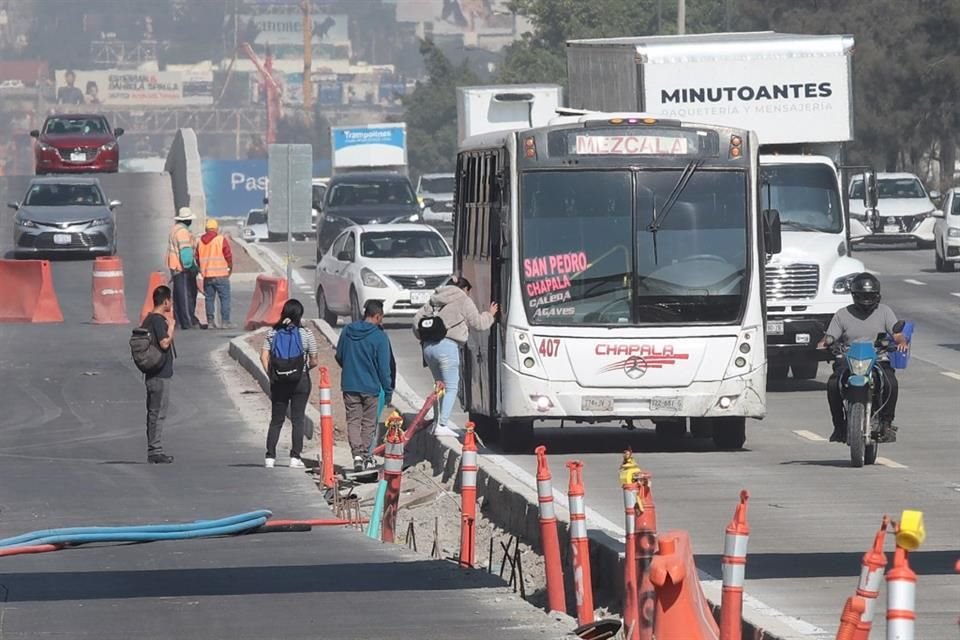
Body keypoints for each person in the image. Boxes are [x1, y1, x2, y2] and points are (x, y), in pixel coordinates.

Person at [818, 272, 908, 444]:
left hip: (878, 358)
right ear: (854, 295)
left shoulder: (885, 312)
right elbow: (830, 336)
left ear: (877, 296)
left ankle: (886, 423)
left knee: (891, 383)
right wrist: (826, 342)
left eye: (870, 296)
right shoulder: (842, 314)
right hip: (848, 360)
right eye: (862, 296)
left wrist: (900, 341)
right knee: (832, 385)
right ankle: (839, 426)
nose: (866, 299)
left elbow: (897, 333)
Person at [412, 276, 498, 431]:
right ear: (464, 289)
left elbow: (416, 323)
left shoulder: (434, 299)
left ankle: (437, 422)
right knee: (451, 387)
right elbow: (478, 324)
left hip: (428, 349)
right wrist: (490, 314)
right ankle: (442, 424)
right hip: (448, 347)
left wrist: (427, 337)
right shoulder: (463, 299)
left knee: (439, 386)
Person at [335, 300, 394, 471]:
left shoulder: (347, 331)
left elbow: (339, 355)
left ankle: (357, 456)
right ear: (377, 316)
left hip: (349, 385)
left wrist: (350, 369)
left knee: (353, 420)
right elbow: (384, 368)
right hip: (371, 387)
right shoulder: (380, 337)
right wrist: (388, 391)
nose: (381, 321)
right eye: (381, 318)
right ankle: (366, 455)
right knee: (369, 423)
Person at [260, 299, 318, 469]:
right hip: (300, 381)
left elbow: (263, 357)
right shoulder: (306, 334)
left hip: (279, 382)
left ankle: (270, 457)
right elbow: (314, 359)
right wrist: (303, 368)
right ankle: (295, 457)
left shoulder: (272, 333)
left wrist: (272, 375)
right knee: (298, 419)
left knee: (276, 420)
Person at [141, 286, 175, 464]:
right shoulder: (157, 320)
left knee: (154, 412)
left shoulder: (148, 319)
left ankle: (154, 449)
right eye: (171, 301)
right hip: (159, 374)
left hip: (152, 373)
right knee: (158, 413)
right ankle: (155, 450)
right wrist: (171, 328)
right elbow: (164, 343)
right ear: (166, 301)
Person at [167, 207, 201, 330]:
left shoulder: (175, 230)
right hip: (182, 269)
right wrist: (191, 266)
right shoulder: (183, 233)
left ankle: (180, 321)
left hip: (175, 267)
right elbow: (186, 253)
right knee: (186, 296)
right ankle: (188, 321)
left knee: (179, 296)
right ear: (187, 220)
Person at [196, 218, 234, 329]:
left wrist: (203, 269)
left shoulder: (200, 242)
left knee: (209, 299)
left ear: (206, 229)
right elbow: (228, 256)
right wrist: (229, 269)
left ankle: (211, 322)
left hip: (207, 276)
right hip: (221, 274)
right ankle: (225, 322)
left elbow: (197, 258)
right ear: (216, 229)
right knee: (225, 298)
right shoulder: (220, 239)